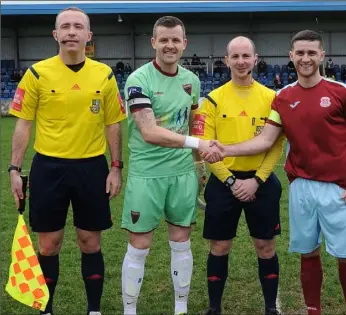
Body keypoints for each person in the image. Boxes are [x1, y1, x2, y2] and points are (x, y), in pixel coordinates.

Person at [204, 30, 346, 315]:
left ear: (322, 55)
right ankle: (312, 310)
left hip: (338, 188)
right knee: (308, 252)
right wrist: (225, 150)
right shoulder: (283, 97)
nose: (306, 58)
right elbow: (266, 140)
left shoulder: (343, 92)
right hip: (301, 188)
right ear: (291, 56)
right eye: (300, 53)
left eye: (311, 52)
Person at [8, 7, 126, 315]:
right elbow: (23, 124)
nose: (71, 31)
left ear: (88, 36)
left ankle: (94, 309)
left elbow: (113, 123)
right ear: (55, 35)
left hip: (92, 167)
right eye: (65, 26)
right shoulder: (36, 73)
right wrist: (14, 169)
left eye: (78, 27)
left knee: (90, 243)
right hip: (49, 168)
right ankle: (47, 309)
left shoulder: (105, 74)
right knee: (49, 245)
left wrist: (116, 167)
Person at [120, 16, 219, 315]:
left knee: (181, 241)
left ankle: (181, 308)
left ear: (184, 43)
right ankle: (129, 310)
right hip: (146, 175)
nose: (170, 45)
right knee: (139, 245)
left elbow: (191, 122)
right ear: (153, 43)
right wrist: (198, 145)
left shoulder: (192, 80)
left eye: (176, 39)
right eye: (163, 39)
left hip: (181, 175)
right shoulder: (138, 79)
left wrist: (198, 165)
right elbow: (149, 132)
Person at [192, 36, 284, 315]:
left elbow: (276, 144)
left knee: (265, 246)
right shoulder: (211, 100)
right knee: (220, 245)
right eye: (236, 56)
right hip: (224, 183)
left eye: (247, 56)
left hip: (262, 182)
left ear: (256, 59)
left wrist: (256, 179)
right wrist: (231, 181)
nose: (242, 62)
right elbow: (205, 147)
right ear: (226, 60)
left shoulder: (272, 98)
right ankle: (214, 308)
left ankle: (270, 307)